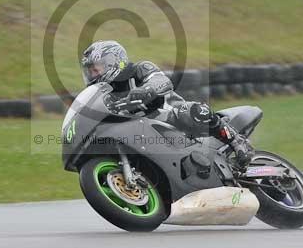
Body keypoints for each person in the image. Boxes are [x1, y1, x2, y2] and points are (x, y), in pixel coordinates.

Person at [80, 40, 254, 170]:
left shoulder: (139, 69)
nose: (93, 75)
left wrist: (145, 90)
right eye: (90, 71)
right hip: (142, 134)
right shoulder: (105, 94)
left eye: (96, 69)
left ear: (113, 60)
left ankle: (236, 140)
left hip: (170, 118)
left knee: (190, 110)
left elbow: (162, 81)